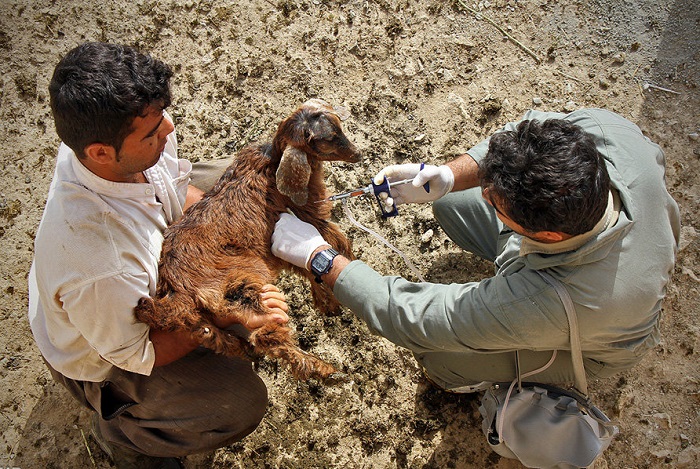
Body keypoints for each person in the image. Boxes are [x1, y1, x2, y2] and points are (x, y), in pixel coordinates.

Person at [271, 108, 680, 393]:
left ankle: (482, 379)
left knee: (441, 359)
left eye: (499, 205)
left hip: (590, 339)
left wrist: (318, 255)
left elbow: (413, 317)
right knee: (452, 203)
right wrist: (448, 175)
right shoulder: (609, 134)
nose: (487, 197)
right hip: (597, 256)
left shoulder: (550, 301)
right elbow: (521, 135)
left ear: (548, 237)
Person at [28, 42, 289, 468]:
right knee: (237, 402)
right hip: (110, 352)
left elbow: (172, 190)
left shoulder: (112, 138)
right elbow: (141, 350)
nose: (168, 128)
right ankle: (127, 432)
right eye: (151, 133)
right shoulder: (102, 264)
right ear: (100, 152)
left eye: (163, 115)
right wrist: (227, 311)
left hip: (131, 273)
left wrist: (232, 231)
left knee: (252, 182)